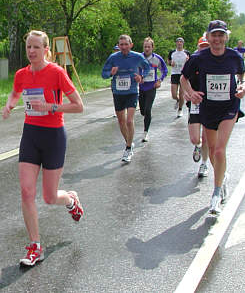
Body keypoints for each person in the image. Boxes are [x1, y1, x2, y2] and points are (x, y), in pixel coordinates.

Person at [2, 30, 84, 266]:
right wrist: (9, 105)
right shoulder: (21, 74)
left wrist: (50, 106)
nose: (31, 51)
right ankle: (35, 246)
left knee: (49, 197)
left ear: (46, 50)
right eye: (28, 46)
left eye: (36, 47)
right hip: (31, 135)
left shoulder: (57, 73)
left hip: (53, 136)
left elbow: (78, 106)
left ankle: (69, 200)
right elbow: (16, 92)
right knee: (26, 192)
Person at [180, 20, 245, 215]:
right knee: (211, 151)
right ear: (208, 37)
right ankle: (222, 177)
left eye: (221, 35)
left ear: (226, 37)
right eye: (214, 35)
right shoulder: (199, 57)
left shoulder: (234, 56)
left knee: (219, 150)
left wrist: (243, 86)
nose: (217, 39)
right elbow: (184, 79)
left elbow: (242, 75)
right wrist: (191, 93)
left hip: (229, 106)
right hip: (208, 108)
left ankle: (216, 194)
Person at [102, 34, 150, 162]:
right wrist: (110, 73)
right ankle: (129, 141)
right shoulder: (113, 58)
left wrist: (141, 77)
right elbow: (103, 73)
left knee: (129, 120)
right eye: (121, 44)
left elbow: (147, 67)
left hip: (132, 91)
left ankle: (128, 148)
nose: (123, 47)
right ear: (118, 45)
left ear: (131, 45)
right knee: (121, 121)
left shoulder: (137, 57)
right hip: (118, 92)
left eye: (125, 44)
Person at [183, 36, 210, 178]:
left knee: (207, 137)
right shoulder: (193, 60)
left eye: (207, 46)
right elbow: (183, 79)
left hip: (210, 104)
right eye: (202, 46)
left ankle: (204, 164)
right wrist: (188, 93)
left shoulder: (216, 61)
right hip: (194, 103)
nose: (204, 49)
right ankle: (197, 146)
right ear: (198, 47)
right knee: (195, 138)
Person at [139, 37, 168, 142]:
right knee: (142, 111)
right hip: (142, 87)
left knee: (147, 110)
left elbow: (165, 70)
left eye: (149, 47)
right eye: (145, 47)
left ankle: (145, 132)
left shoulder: (157, 58)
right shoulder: (139, 57)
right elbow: (134, 69)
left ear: (152, 48)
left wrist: (159, 80)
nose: (147, 49)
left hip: (152, 87)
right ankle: (147, 117)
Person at [168, 37, 190, 117]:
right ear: (176, 43)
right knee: (173, 94)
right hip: (174, 74)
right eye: (178, 42)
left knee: (181, 94)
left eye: (181, 42)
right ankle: (177, 100)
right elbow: (169, 61)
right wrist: (171, 64)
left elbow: (190, 63)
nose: (179, 43)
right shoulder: (172, 52)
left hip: (183, 74)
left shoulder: (186, 53)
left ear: (183, 43)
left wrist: (188, 61)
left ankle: (180, 109)